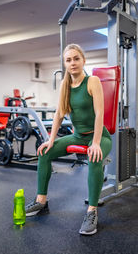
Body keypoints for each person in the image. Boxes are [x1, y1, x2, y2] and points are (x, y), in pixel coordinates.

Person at [25, 43, 112, 235]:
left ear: (83, 61)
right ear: (65, 63)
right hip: (77, 136)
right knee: (45, 152)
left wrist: (96, 143)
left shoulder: (93, 81)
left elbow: (99, 114)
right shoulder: (65, 85)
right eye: (68, 60)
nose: (73, 63)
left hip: (99, 136)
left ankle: (92, 211)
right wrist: (50, 139)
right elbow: (58, 114)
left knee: (95, 157)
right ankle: (41, 201)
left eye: (76, 59)